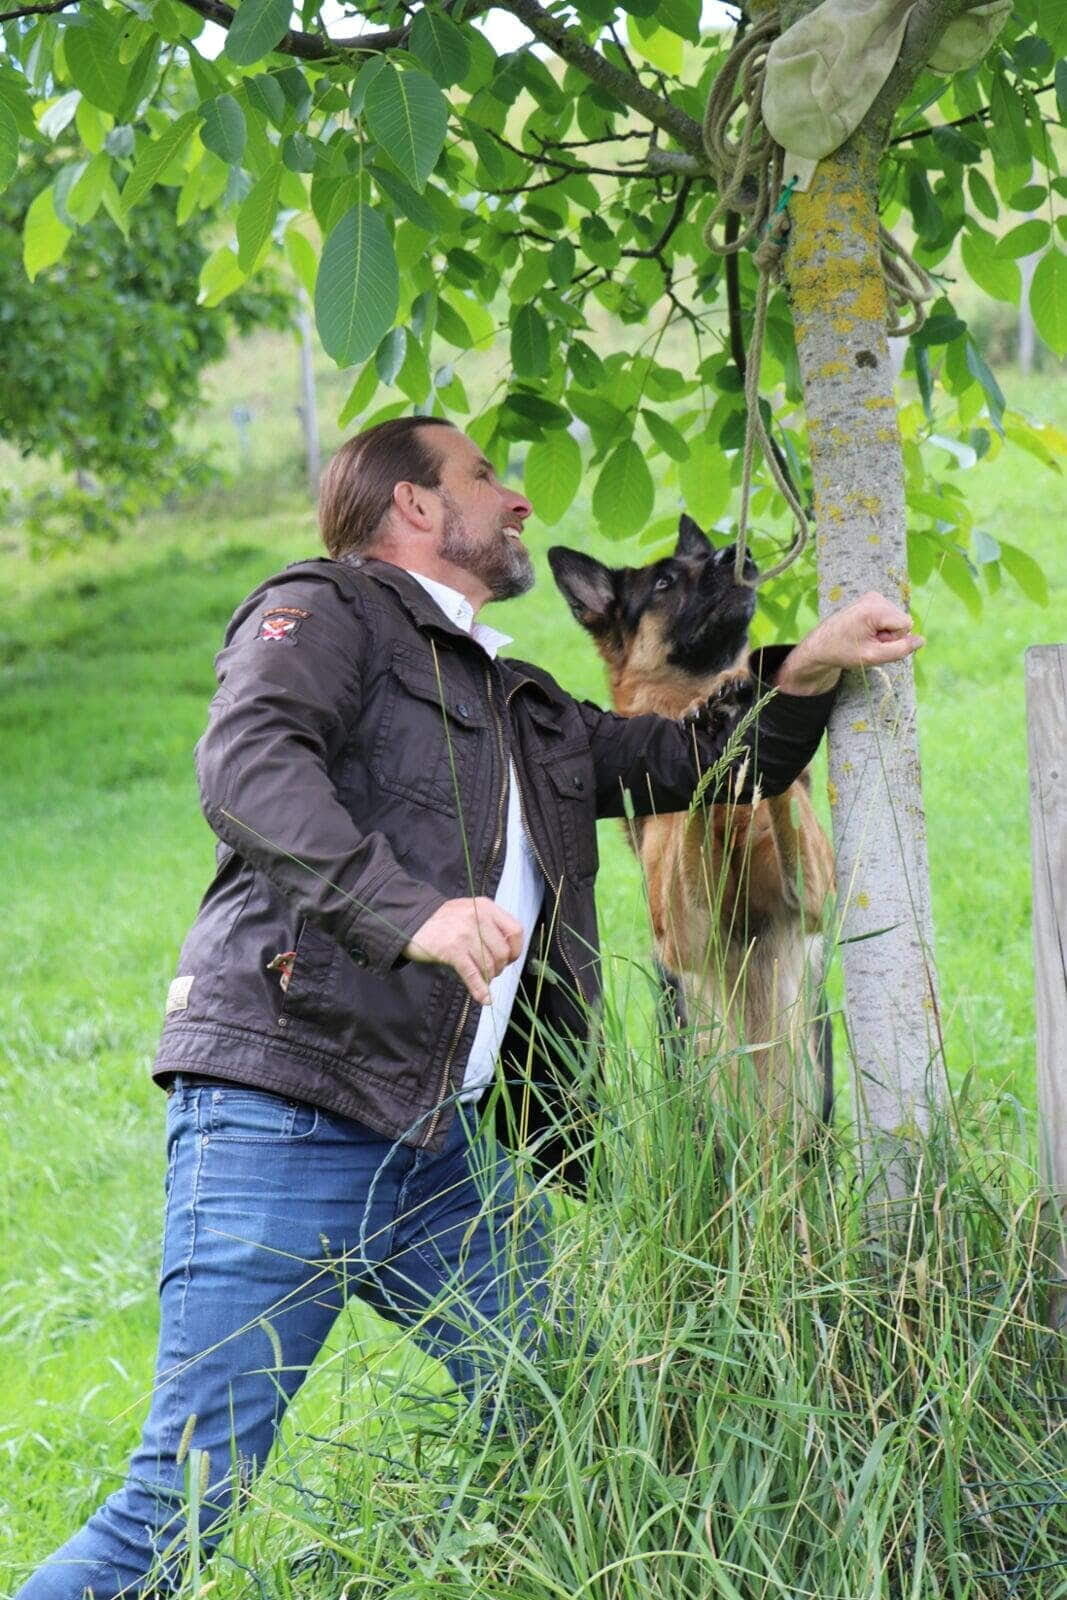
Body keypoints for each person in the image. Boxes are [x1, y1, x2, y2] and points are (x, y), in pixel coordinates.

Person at [18, 415, 924, 1599]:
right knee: (182, 1503)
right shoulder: (320, 613)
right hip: (282, 1116)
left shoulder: (517, 700)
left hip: (437, 1147)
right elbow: (248, 765)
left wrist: (803, 664)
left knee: (577, 1414)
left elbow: (691, 758)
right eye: (486, 478)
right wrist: (411, 911)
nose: (518, 503)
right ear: (412, 506)